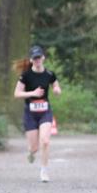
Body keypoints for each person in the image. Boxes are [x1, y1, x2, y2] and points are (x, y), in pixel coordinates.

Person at [13, 45, 61, 182]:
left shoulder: (49, 74)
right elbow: (16, 93)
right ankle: (31, 152)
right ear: (31, 60)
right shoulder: (26, 76)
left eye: (39, 57)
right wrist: (32, 93)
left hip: (45, 111)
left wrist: (57, 90)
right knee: (34, 148)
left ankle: (44, 171)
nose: (37, 60)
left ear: (43, 58)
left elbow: (56, 85)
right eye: (35, 58)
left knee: (45, 141)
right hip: (30, 113)